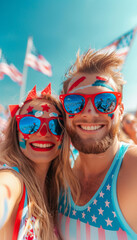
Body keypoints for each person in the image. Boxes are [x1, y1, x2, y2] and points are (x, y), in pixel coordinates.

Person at [58, 49, 137, 239]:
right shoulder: (60, 173)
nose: (90, 112)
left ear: (120, 110)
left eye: (105, 101)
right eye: (75, 102)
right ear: (64, 111)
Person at [0, 84, 64, 240]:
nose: (42, 133)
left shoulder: (60, 192)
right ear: (16, 133)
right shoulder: (12, 180)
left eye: (55, 125)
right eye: (29, 125)